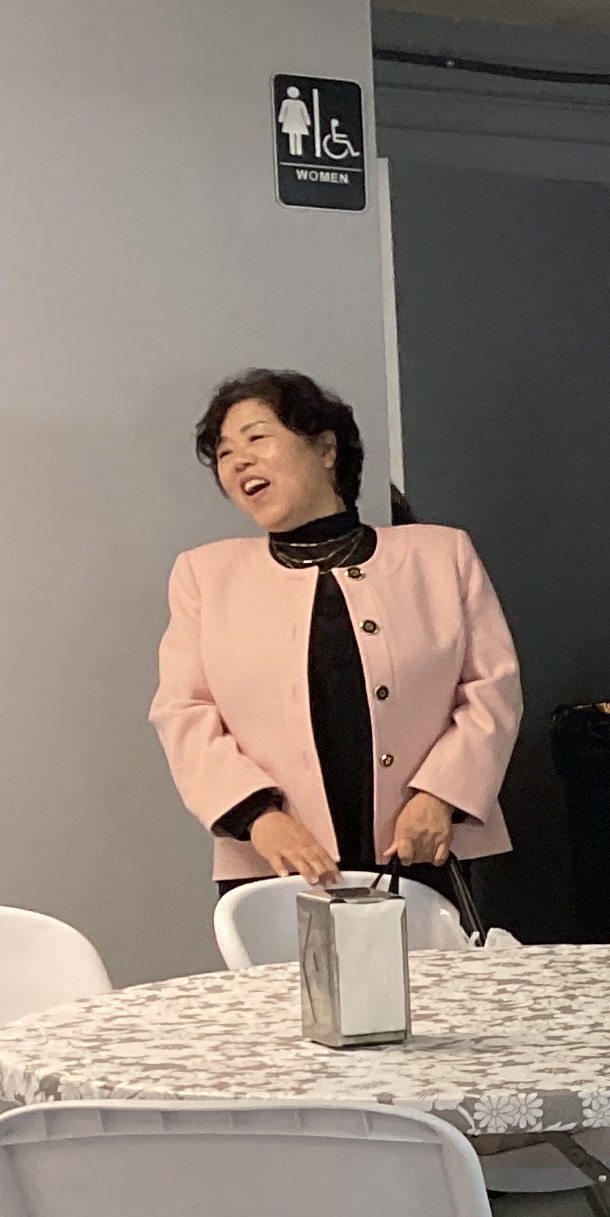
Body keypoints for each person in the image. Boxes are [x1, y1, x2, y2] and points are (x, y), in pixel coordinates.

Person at [154, 368, 523, 899]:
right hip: (275, 859)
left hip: (423, 845)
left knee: (429, 957)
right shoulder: (205, 576)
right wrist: (258, 817)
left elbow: (493, 689)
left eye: (257, 438)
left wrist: (440, 796)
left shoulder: (441, 556)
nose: (239, 461)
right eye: (225, 453)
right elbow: (184, 712)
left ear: (326, 449)